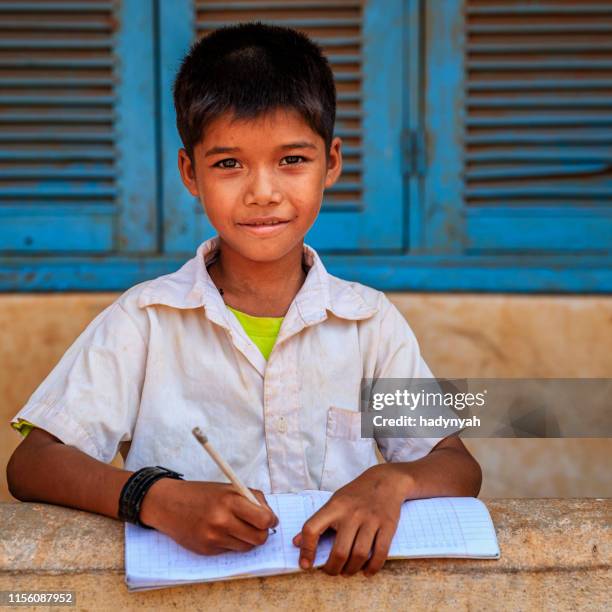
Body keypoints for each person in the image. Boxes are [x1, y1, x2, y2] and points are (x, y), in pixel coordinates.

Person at [6, 22, 481, 578]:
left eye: (292, 161)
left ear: (331, 163)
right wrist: (152, 497)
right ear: (191, 172)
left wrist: (390, 481)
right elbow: (32, 464)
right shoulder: (145, 320)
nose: (262, 192)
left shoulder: (370, 323)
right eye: (229, 163)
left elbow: (456, 465)